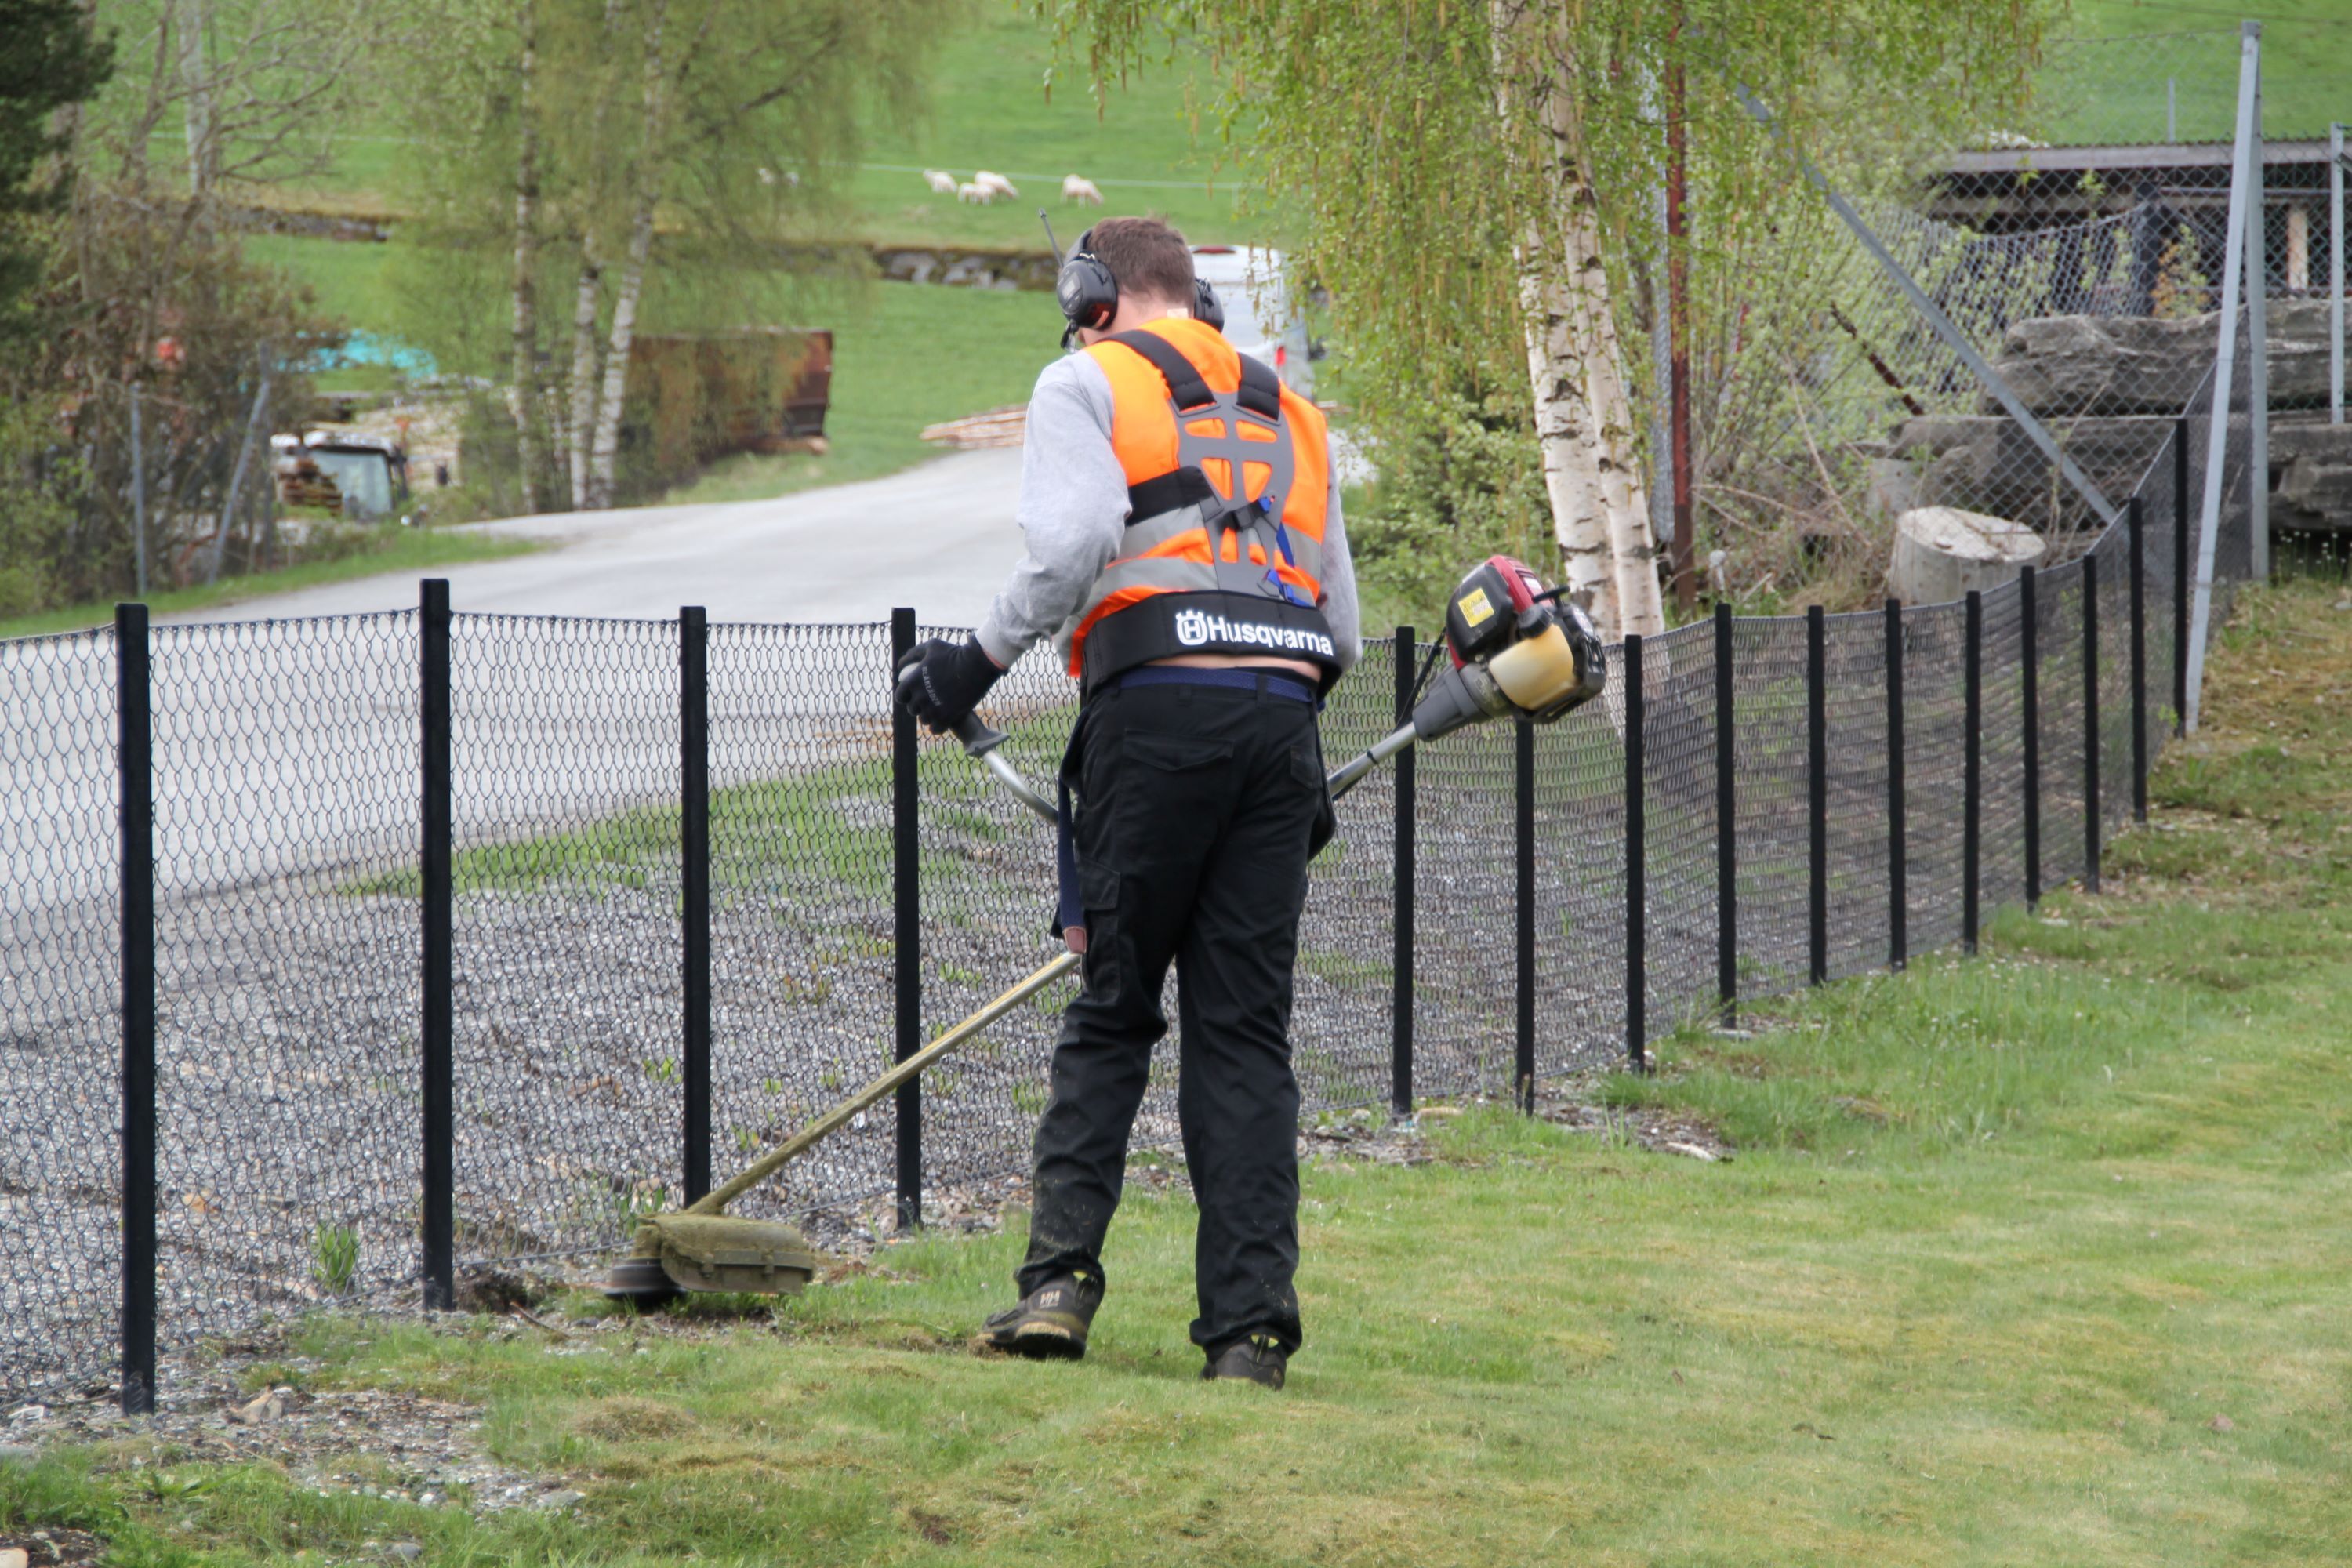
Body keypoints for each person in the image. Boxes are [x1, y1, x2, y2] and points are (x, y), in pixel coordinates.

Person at [895, 216, 1358, 1390]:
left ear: (1094, 292)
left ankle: (1057, 1289)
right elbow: (1343, 629)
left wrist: (968, 668)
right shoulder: (1294, 412)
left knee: (1114, 1006)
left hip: (1154, 721)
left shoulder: (1080, 380)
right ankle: (1251, 1337)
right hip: (1281, 723)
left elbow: (1073, 544)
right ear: (1191, 297)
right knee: (1245, 1035)